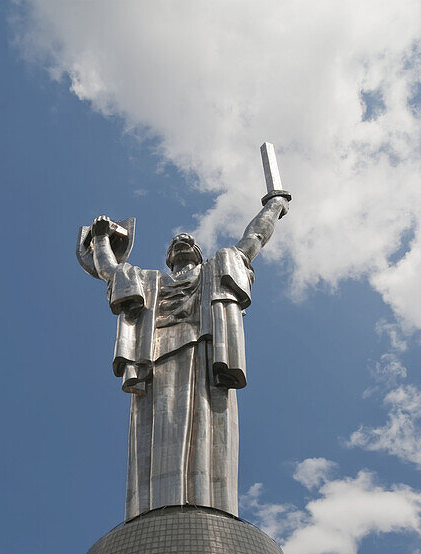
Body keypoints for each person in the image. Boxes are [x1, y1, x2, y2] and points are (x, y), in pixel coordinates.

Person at [85, 194, 290, 520]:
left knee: (209, 430)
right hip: (154, 362)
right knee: (153, 435)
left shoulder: (219, 265)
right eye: (176, 243)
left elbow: (254, 238)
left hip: (207, 355)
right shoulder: (148, 282)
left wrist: (275, 206)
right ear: (168, 257)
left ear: (197, 253)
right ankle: (152, 511)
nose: (182, 242)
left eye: (188, 241)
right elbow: (110, 272)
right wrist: (99, 239)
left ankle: (210, 508)